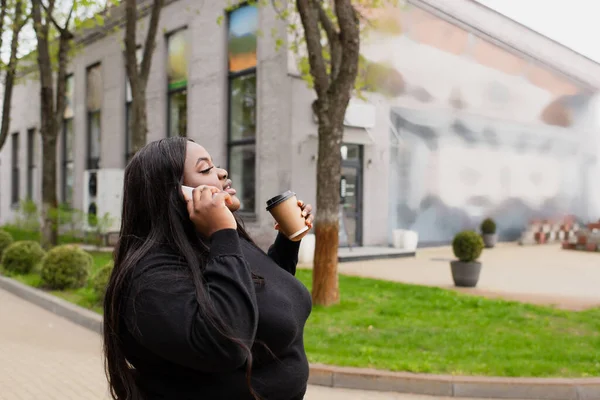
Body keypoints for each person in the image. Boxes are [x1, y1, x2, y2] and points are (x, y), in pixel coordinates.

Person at [103, 137, 314, 400]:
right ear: (175, 193)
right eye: (205, 169)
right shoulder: (151, 278)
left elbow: (260, 297)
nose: (223, 172)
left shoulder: (212, 243)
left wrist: (287, 242)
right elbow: (226, 344)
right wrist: (223, 233)